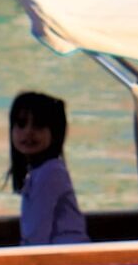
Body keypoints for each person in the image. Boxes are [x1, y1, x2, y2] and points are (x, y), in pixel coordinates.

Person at [8, 91, 88, 246]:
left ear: (55, 132)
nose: (28, 132)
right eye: (21, 124)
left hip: (66, 258)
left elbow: (36, 235)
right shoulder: (39, 172)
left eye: (39, 125)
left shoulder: (50, 173)